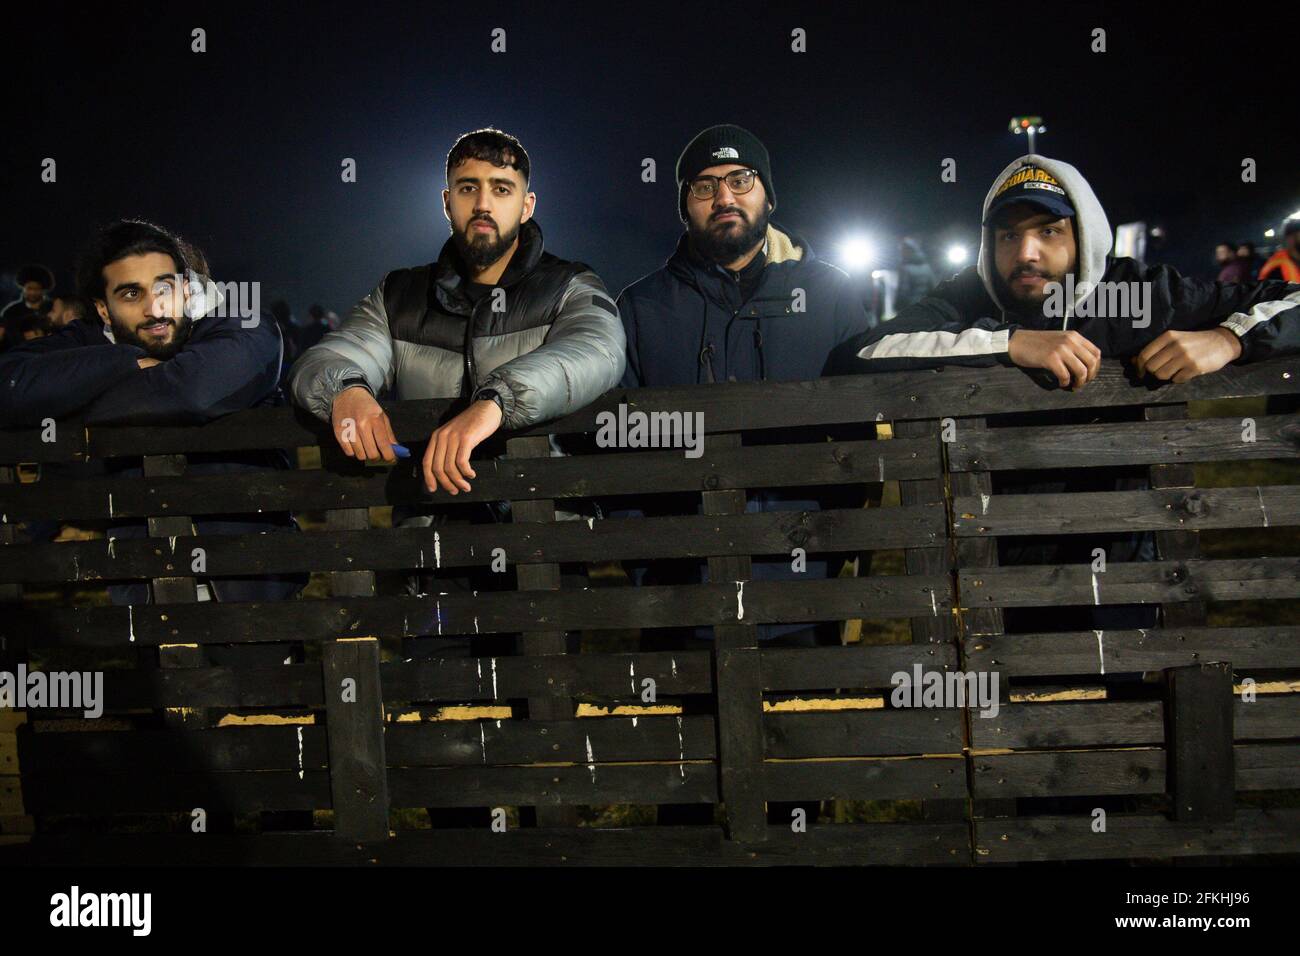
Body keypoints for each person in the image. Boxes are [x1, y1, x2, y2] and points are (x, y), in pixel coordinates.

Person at [290, 128, 625, 826]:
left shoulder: (571, 284)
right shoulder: (399, 294)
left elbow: (596, 350)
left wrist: (495, 404)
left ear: (527, 205)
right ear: (446, 202)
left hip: (542, 555)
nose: (484, 204)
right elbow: (333, 354)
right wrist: (345, 389)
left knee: (546, 750)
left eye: (501, 190)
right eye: (469, 188)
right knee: (449, 749)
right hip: (432, 556)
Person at [835, 154, 1300, 634]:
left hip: (1121, 551)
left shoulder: (1138, 294)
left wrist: (1229, 338)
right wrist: (1009, 342)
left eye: (1049, 231)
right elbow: (864, 352)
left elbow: (1292, 299)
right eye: (1008, 235)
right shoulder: (969, 296)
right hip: (994, 548)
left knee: (1124, 695)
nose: (1026, 253)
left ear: (1085, 236)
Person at [616, 123, 875, 827]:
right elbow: (614, 459)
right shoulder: (641, 307)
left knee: (795, 788)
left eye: (739, 181)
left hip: (801, 603)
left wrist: (822, 553)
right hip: (681, 605)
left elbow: (857, 449)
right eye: (703, 187)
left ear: (767, 193)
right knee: (690, 793)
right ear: (683, 205)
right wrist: (656, 574)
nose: (722, 197)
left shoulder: (827, 296)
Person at [0, 219, 305, 624]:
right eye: (131, 294)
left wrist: (75, 401)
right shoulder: (95, 339)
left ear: (185, 287)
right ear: (103, 309)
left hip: (252, 586)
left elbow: (192, 391)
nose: (155, 307)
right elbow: (9, 383)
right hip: (143, 592)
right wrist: (125, 360)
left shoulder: (242, 322)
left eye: (165, 287)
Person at [1, 263, 54, 351]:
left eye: (36, 289)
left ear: (43, 289)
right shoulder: (11, 312)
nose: (32, 292)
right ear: (23, 288)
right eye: (29, 288)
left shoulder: (53, 308)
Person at [895, 237, 938, 312]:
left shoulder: (905, 269)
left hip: (910, 308)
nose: (901, 253)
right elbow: (933, 287)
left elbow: (903, 291)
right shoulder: (927, 267)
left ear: (909, 251)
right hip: (925, 307)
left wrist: (897, 306)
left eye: (903, 250)